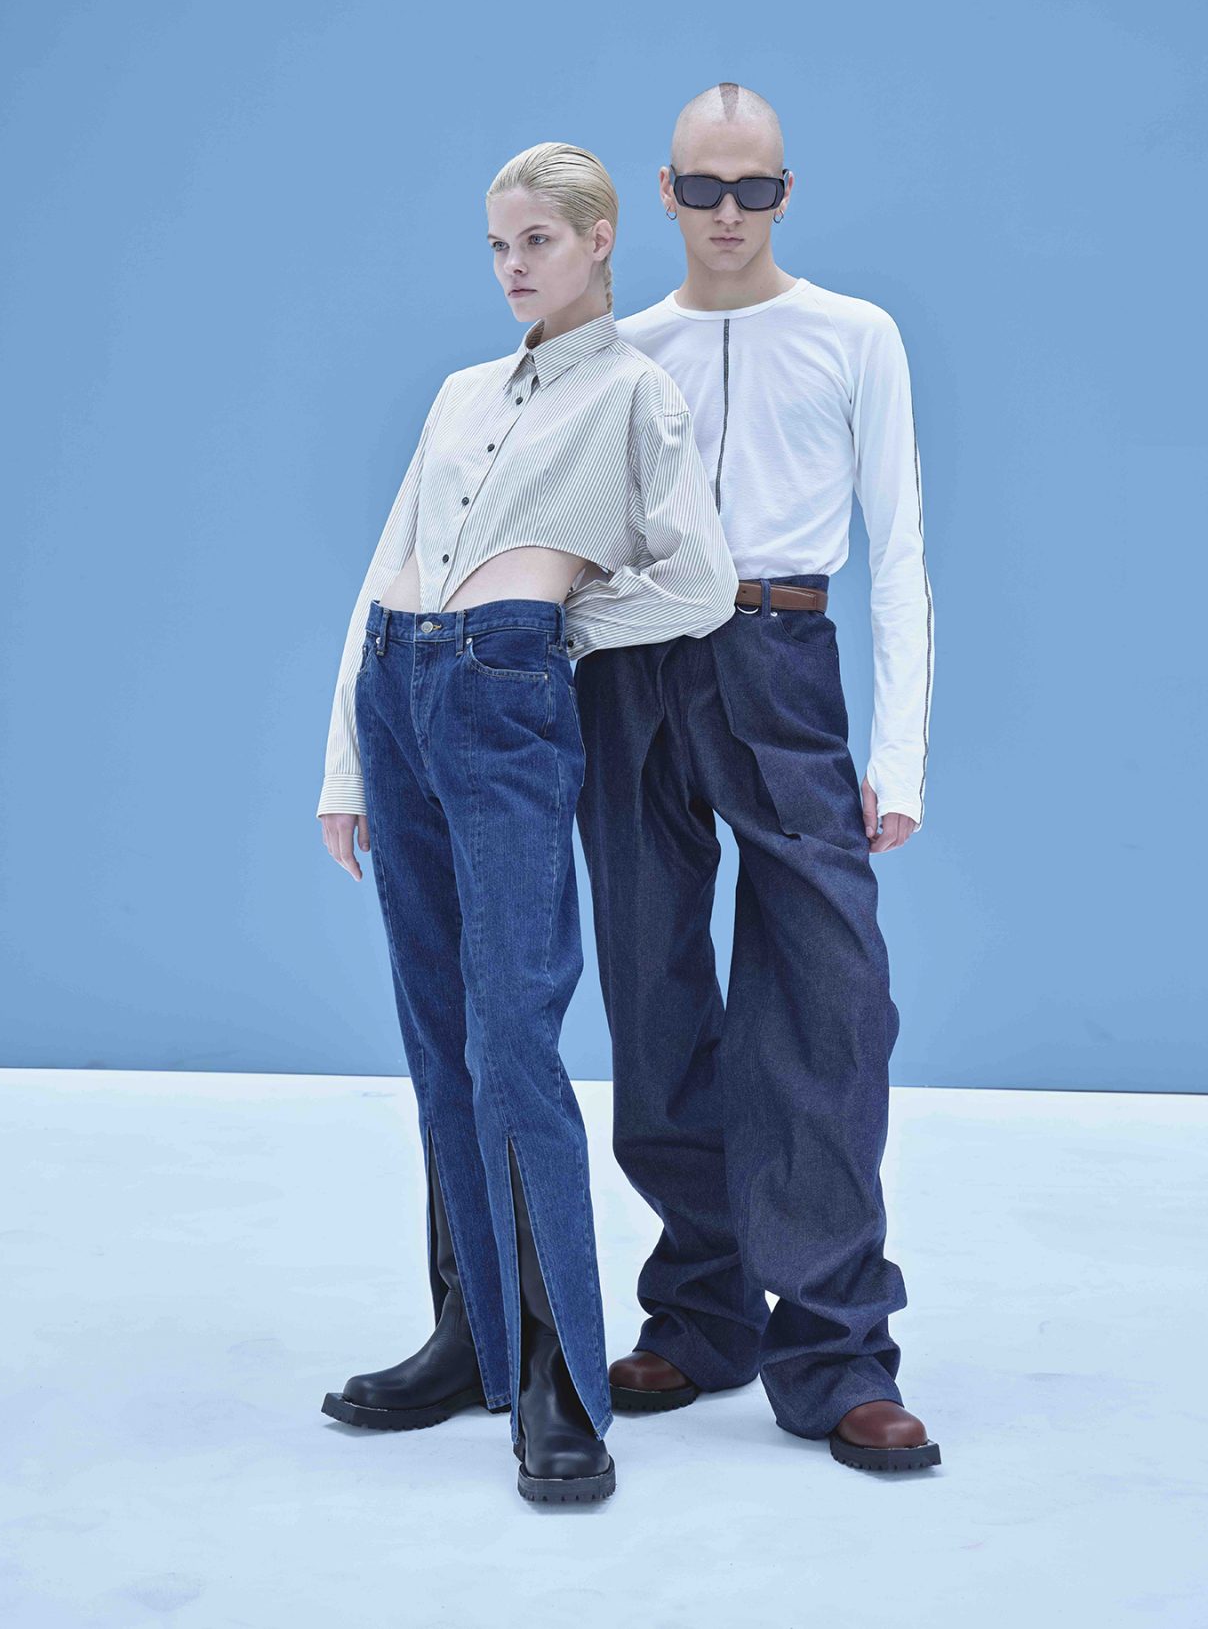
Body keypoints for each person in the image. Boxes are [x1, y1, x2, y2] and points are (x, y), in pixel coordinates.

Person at [314, 140, 739, 1504]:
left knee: (512, 1034)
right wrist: (343, 767)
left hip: (502, 695)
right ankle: (471, 1337)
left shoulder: (633, 394)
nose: (513, 266)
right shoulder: (457, 395)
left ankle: (560, 1377)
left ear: (601, 240)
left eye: (538, 242)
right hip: (397, 684)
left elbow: (701, 581)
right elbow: (384, 572)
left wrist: (546, 633)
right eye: (498, 246)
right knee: (435, 1029)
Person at [574, 84, 942, 1472]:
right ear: (664, 195)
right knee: (652, 985)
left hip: (782, 658)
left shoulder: (855, 335)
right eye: (705, 188)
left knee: (829, 1001)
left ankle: (838, 1350)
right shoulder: (624, 348)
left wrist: (896, 755)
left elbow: (899, 548)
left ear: (789, 194)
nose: (730, 213)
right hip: (631, 666)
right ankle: (702, 1306)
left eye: (757, 188)